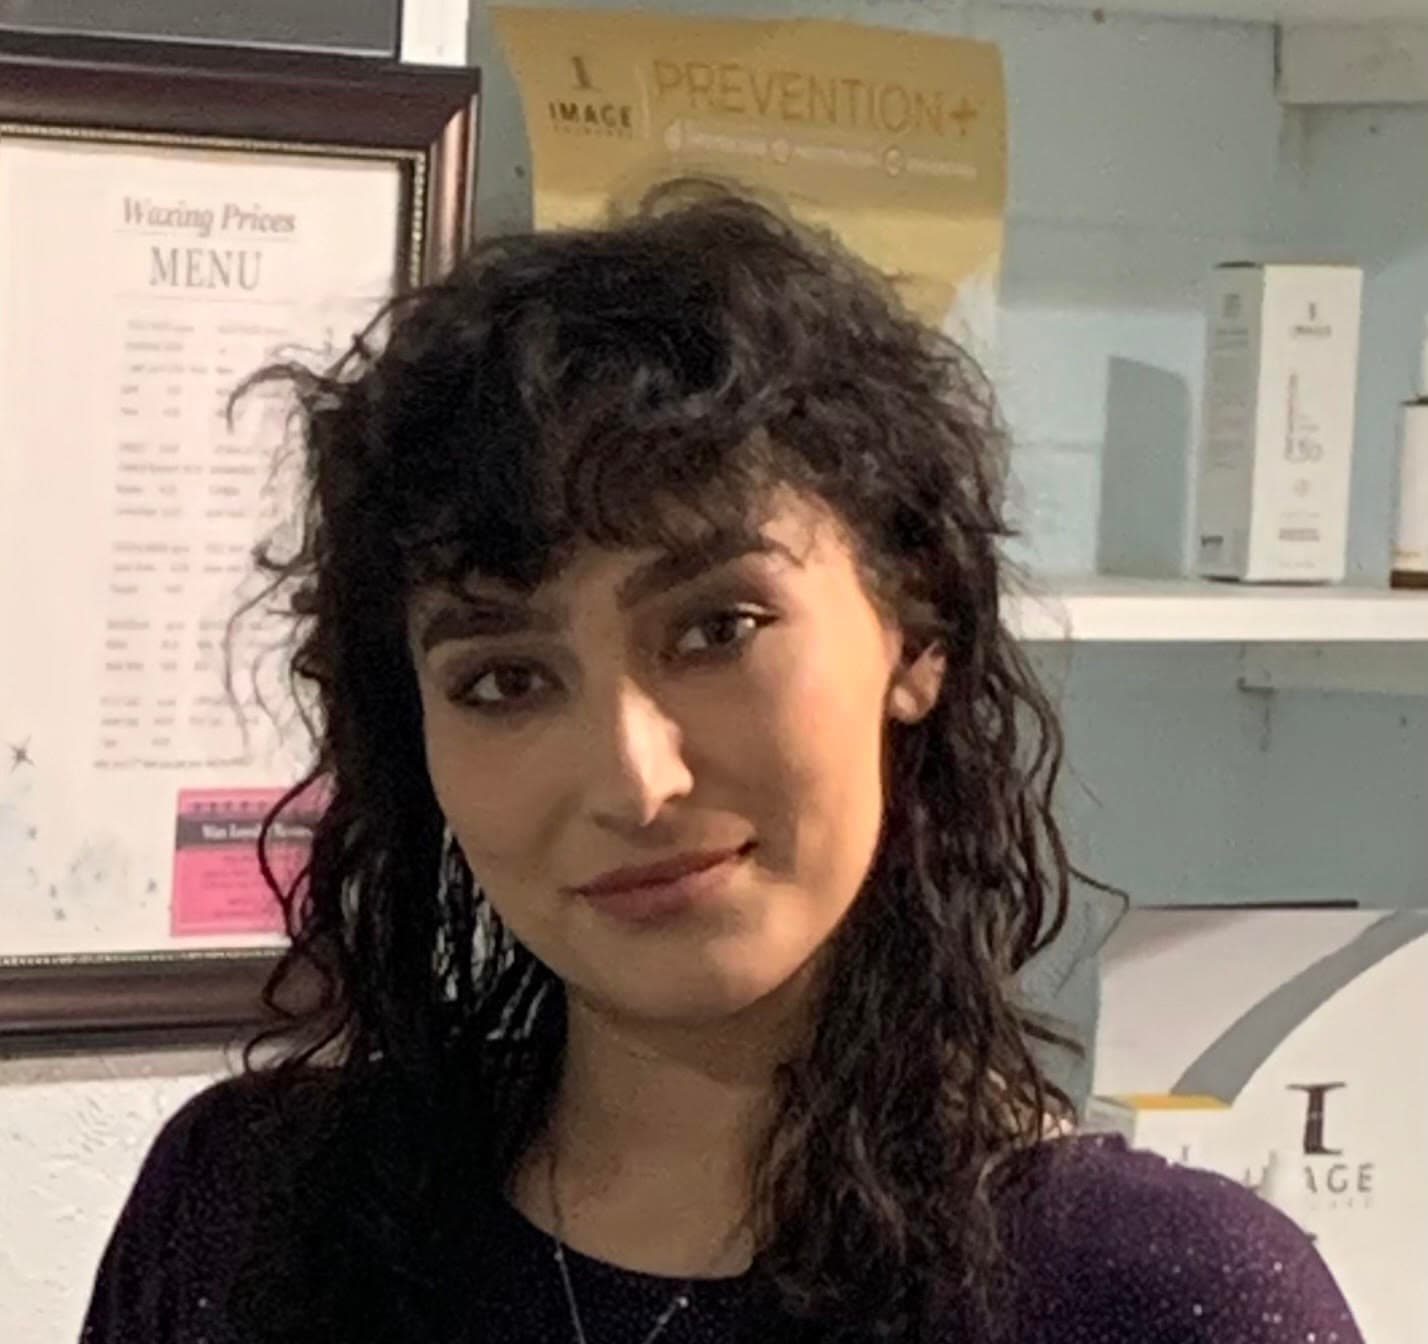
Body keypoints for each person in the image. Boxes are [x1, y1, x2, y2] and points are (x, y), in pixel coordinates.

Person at [80, 182, 1362, 1344]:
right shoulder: (250, 1216)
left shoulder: (1147, 1296)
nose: (635, 780)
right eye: (505, 680)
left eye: (716, 629)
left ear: (915, 630)